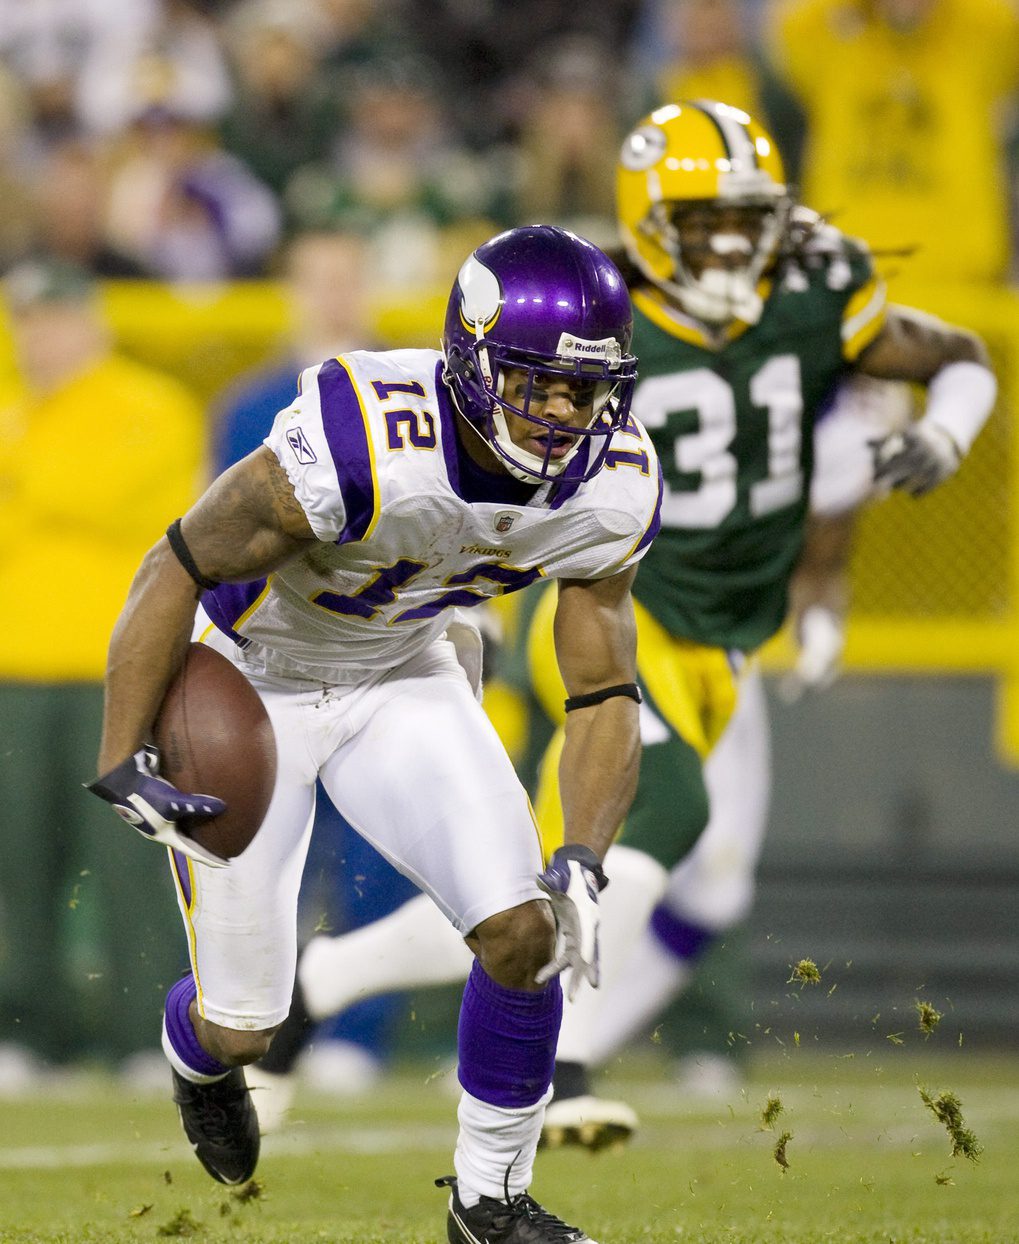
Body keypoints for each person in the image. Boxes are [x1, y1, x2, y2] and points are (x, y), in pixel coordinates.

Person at [245, 99, 996, 1149]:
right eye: (703, 222)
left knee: (689, 881)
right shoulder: (590, 312)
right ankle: (567, 1056)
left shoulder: (814, 292)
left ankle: (327, 979)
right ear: (649, 219)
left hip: (725, 628)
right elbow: (479, 433)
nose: (730, 246)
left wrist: (944, 440)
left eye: (746, 219)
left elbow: (947, 366)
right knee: (652, 814)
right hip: (617, 608)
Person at [86, 223, 662, 1243]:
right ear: (473, 357)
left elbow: (602, 684)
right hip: (250, 681)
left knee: (523, 932)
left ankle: (489, 1201)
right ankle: (197, 1052)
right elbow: (174, 561)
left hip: (404, 671)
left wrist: (582, 853)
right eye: (538, 382)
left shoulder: (608, 481)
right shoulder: (364, 434)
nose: (565, 412)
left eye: (587, 388)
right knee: (245, 1024)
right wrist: (124, 750)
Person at [0, 256, 205, 1082]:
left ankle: (140, 1030)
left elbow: (107, 495)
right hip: (14, 670)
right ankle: (28, 1031)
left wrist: (23, 465)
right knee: (19, 863)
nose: (39, 336)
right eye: (27, 321)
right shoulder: (18, 411)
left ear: (94, 323)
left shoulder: (150, 405)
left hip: (110, 671)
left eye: (54, 319)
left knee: (128, 859)